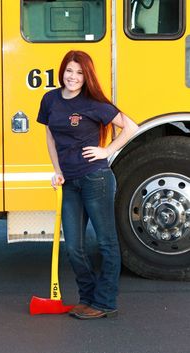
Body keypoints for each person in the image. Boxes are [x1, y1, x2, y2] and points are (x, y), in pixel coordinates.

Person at [37, 50, 139, 320]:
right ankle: (88, 298)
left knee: (106, 242)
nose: (73, 76)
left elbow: (131, 127)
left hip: (96, 178)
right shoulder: (50, 100)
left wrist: (107, 151)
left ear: (87, 76)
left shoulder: (93, 103)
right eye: (69, 70)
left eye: (80, 72)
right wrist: (57, 171)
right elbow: (50, 138)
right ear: (62, 71)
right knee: (74, 247)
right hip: (69, 181)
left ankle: (105, 302)